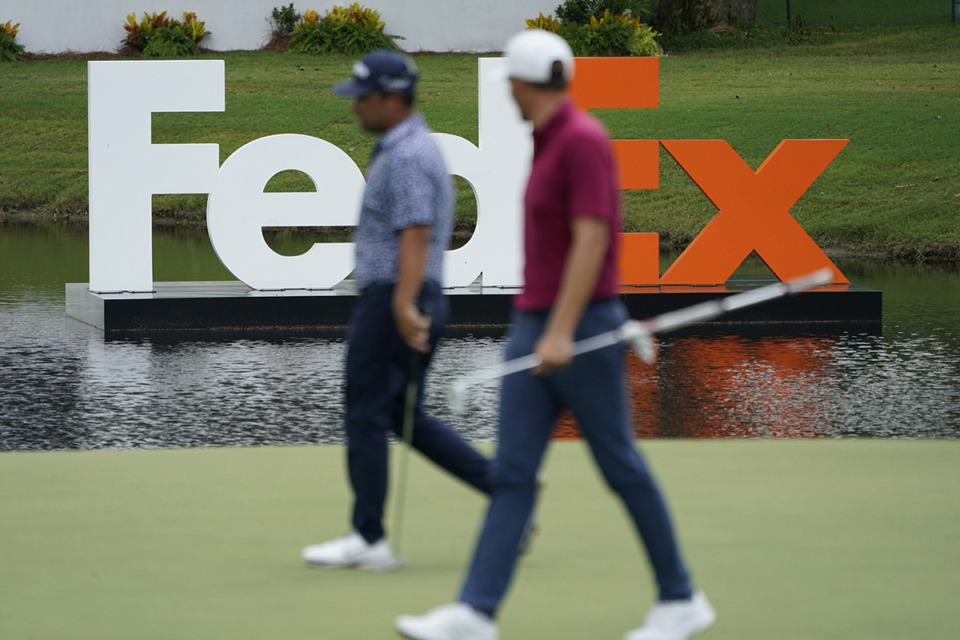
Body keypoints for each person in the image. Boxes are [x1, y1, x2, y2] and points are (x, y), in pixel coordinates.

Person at [395, 30, 715, 640]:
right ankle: (475, 612)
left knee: (618, 462)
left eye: (508, 84)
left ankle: (681, 598)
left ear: (522, 83)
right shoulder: (546, 140)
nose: (508, 93)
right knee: (513, 472)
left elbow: (592, 239)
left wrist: (563, 330)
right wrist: (541, 329)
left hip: (580, 325)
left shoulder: (583, 140)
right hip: (534, 323)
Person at [301, 50, 492, 571]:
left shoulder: (407, 155)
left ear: (392, 97)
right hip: (408, 295)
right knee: (399, 415)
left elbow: (416, 232)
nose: (355, 107)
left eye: (364, 98)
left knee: (366, 412)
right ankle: (505, 489)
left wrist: (403, 304)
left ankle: (369, 538)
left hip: (393, 297)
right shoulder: (411, 147)